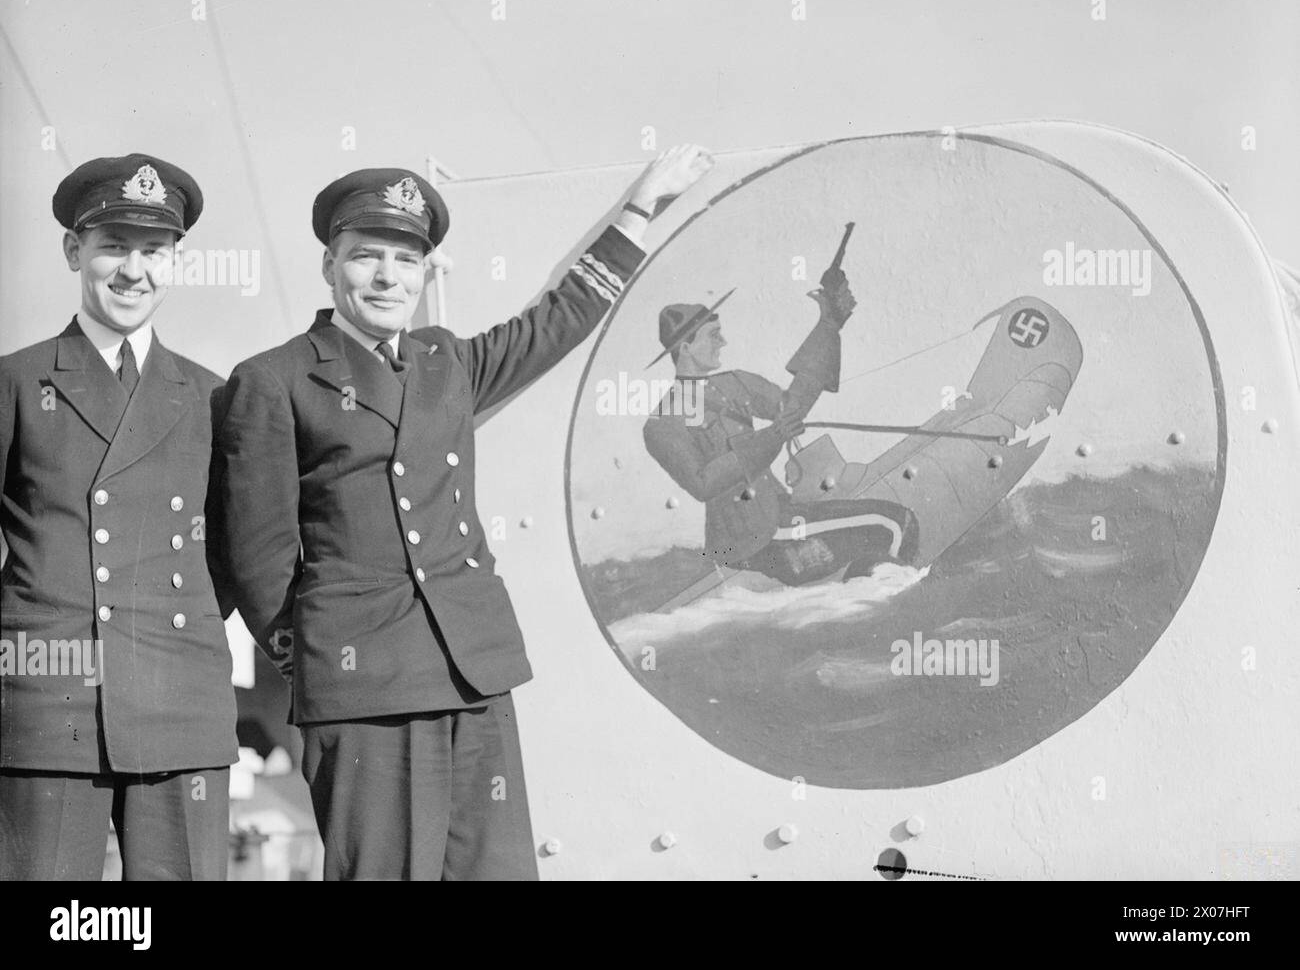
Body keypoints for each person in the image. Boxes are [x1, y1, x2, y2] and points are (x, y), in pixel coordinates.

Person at [213, 144, 714, 880]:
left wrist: (640, 204)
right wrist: (320, 658)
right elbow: (255, 554)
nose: (388, 277)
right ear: (330, 264)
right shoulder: (273, 380)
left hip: (474, 674)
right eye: (366, 256)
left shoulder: (444, 361)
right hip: (365, 690)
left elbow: (558, 320)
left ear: (424, 274)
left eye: (406, 261)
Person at [0, 154, 238, 880]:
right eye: (112, 246)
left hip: (180, 702)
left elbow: (233, 555)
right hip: (51, 700)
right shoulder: (17, 381)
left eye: (154, 251)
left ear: (177, 263)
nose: (133, 270)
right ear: (75, 251)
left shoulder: (209, 395)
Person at [643, 276, 918, 585]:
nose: (723, 342)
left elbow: (793, 407)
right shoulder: (662, 424)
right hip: (757, 538)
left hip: (779, 519)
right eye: (713, 336)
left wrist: (828, 325)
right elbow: (702, 484)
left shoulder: (734, 383)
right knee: (895, 524)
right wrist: (771, 437)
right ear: (686, 348)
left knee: (887, 531)